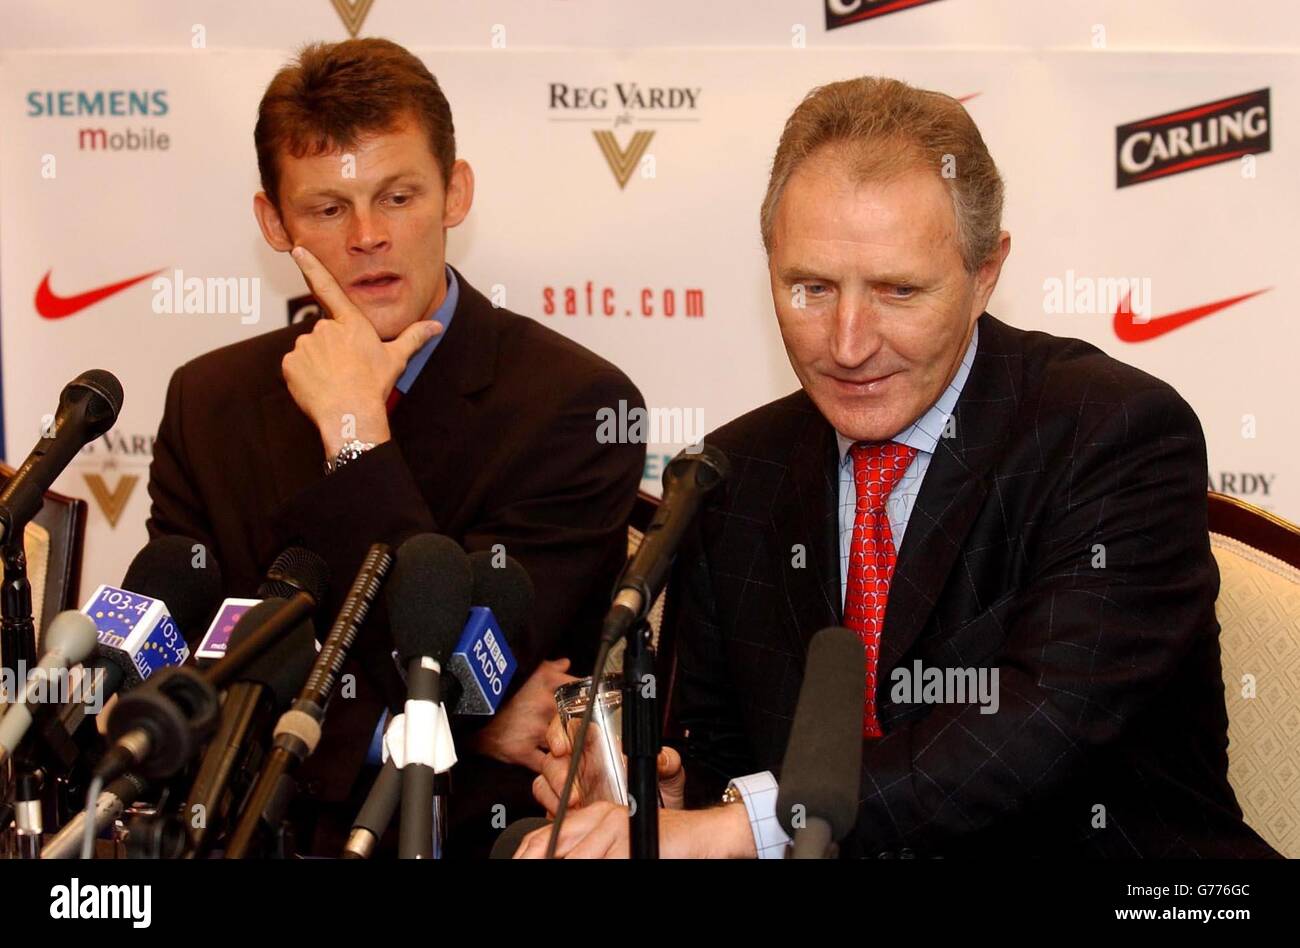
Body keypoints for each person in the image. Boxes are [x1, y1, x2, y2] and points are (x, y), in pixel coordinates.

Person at [519, 76, 1276, 858]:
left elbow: (1035, 727)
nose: (847, 344)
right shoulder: (734, 472)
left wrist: (741, 825)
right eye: (809, 287)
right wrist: (677, 805)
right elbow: (731, 761)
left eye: (897, 290)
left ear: (986, 273)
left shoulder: (1112, 434)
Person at [146, 38, 645, 856]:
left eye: (400, 196)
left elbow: (455, 664)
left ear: (456, 192)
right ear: (274, 221)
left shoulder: (577, 405)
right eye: (328, 209)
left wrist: (354, 433)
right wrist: (410, 726)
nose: (369, 236)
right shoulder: (208, 402)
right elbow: (202, 678)